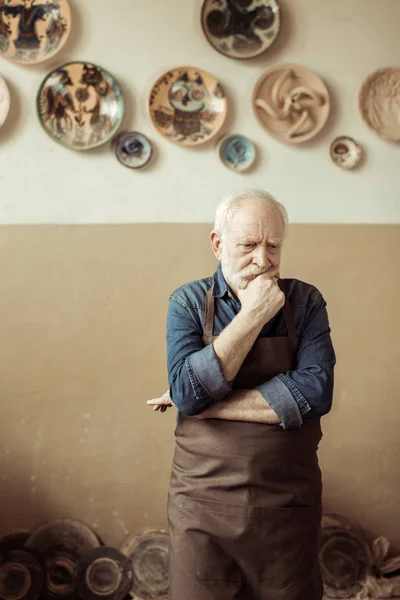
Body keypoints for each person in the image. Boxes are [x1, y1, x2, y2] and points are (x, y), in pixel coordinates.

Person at [147, 189, 336, 600]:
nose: (263, 260)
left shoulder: (306, 301)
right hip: (202, 508)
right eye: (248, 245)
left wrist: (205, 402)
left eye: (273, 246)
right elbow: (188, 392)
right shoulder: (188, 302)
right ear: (218, 243)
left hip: (288, 505)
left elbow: (316, 393)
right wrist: (254, 314)